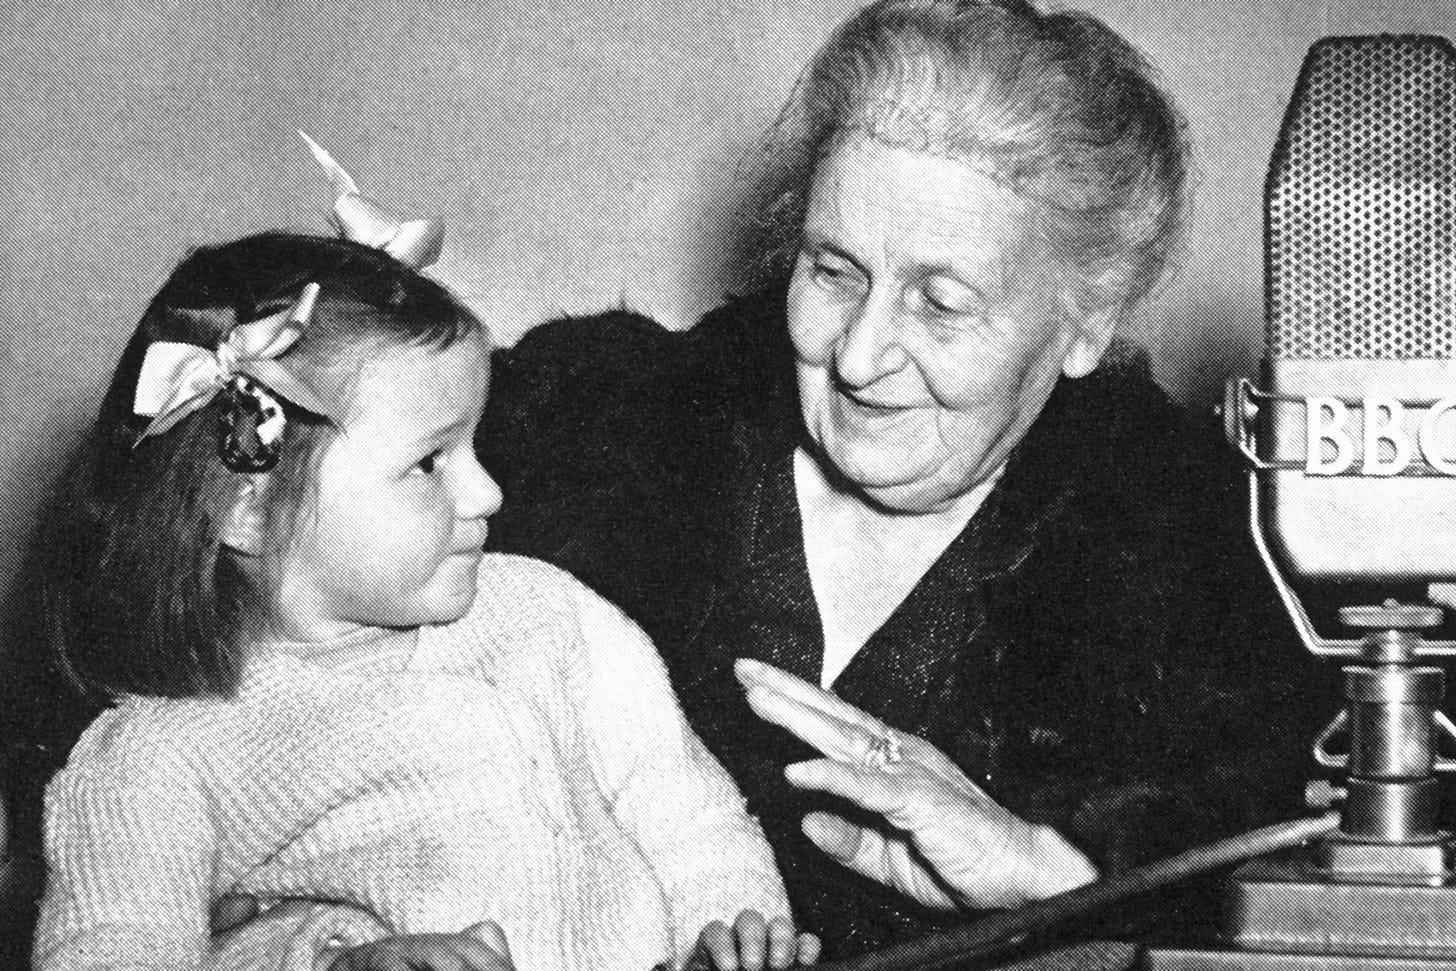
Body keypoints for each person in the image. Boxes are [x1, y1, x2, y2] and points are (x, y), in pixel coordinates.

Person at [478, 0, 1329, 958]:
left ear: (1086, 320)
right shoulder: (574, 439)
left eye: (940, 301)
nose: (860, 354)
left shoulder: (1215, 564)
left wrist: (1058, 872)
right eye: (835, 271)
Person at [26, 222, 821, 971]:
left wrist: (734, 925)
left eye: (473, 444)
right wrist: (323, 959)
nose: (485, 490)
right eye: (429, 463)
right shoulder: (153, 759)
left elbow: (689, 812)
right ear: (251, 509)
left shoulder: (552, 615)